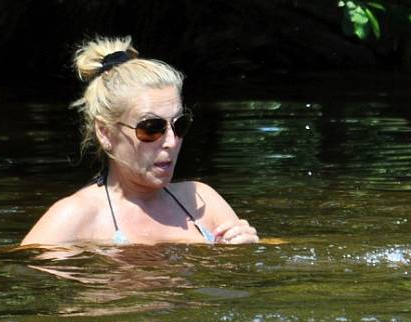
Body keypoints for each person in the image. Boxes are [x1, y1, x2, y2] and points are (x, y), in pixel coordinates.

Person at [21, 36, 259, 247]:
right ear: (105, 133)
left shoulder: (202, 200)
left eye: (179, 125)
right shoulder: (74, 217)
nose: (171, 142)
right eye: (151, 128)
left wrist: (244, 249)